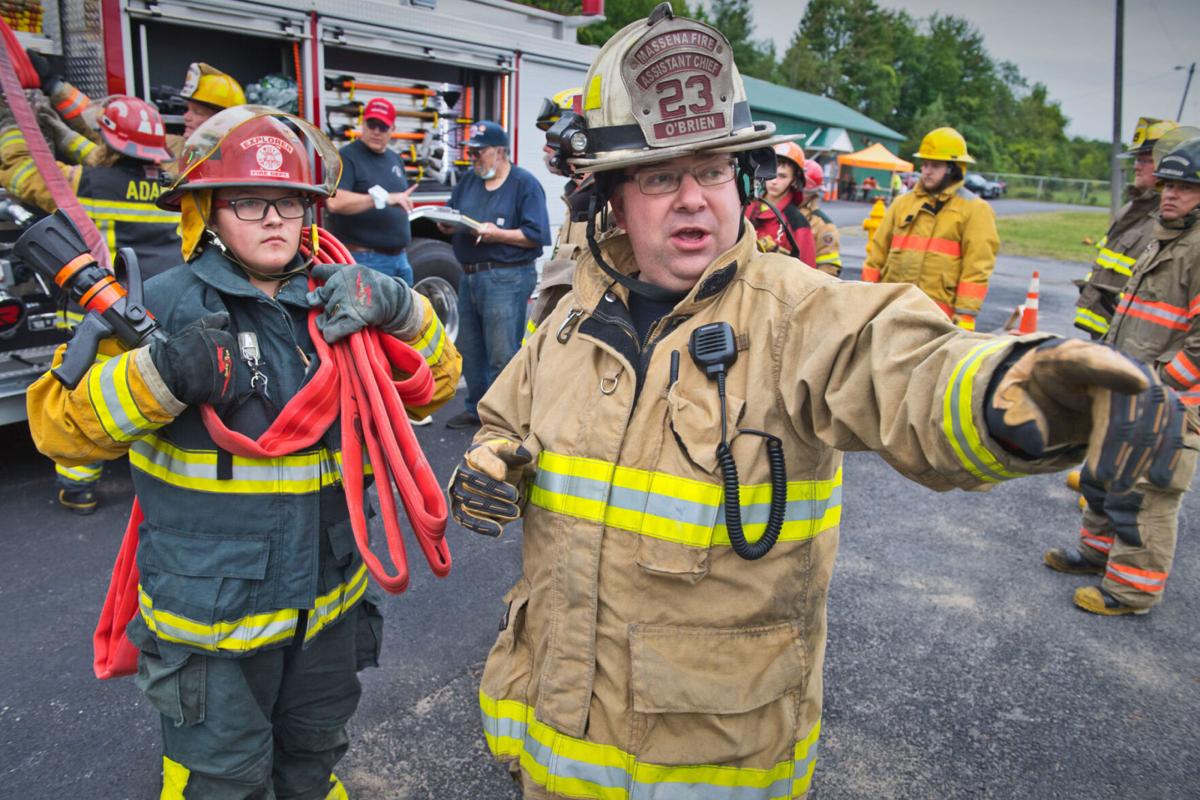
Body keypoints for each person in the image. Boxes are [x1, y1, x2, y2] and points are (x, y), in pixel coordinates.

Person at [444, 6, 1185, 798]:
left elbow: (902, 363)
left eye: (715, 170)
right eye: (662, 177)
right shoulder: (571, 314)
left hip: (706, 762)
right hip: (556, 749)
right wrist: (491, 463)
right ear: (616, 201)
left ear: (746, 180)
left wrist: (1027, 390)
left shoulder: (798, 313)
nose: (694, 199)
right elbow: (506, 418)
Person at [26, 106, 461, 797]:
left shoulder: (341, 301)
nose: (272, 219)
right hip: (211, 624)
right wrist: (162, 376)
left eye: (288, 201)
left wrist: (403, 309)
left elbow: (435, 389)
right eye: (248, 201)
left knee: (314, 759)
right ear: (206, 211)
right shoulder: (160, 307)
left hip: (327, 603)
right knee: (227, 781)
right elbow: (58, 427)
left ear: (310, 211)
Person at [1, 91, 182, 513]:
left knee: (88, 395)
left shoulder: (89, 183)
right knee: (140, 388)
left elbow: (20, 172)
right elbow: (99, 149)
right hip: (155, 307)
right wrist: (60, 123)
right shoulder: (170, 185)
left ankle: (78, 485)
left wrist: (13, 123)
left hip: (99, 311)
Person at [1045, 129, 1200, 616]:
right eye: (1168, 185)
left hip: (1168, 402)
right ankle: (1096, 553)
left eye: (1185, 187)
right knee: (1103, 473)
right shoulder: (1163, 238)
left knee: (1148, 493)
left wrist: (1163, 381)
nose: (1169, 194)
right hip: (1127, 387)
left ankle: (1131, 590)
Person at [438, 119, 550, 430]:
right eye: (471, 153)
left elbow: (535, 234)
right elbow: (452, 211)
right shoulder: (468, 182)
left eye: (479, 153)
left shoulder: (524, 184)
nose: (473, 159)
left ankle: (504, 418)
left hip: (507, 277)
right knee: (470, 349)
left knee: (502, 353)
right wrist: (445, 224)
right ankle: (476, 407)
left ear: (500, 151)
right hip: (470, 275)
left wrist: (498, 234)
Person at [862, 126, 999, 331]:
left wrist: (966, 316)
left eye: (935, 165)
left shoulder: (975, 210)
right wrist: (867, 297)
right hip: (892, 311)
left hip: (938, 319)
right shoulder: (902, 203)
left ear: (953, 169)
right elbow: (877, 253)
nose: (926, 171)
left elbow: (976, 267)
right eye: (924, 164)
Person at [1074, 117, 1179, 338]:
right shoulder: (1130, 210)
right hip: (1104, 334)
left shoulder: (1171, 222)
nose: (1136, 166)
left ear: (1168, 164)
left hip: (1132, 339)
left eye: (1144, 160)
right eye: (1136, 159)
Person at [324, 97, 418, 285]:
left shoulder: (395, 159)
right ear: (363, 123)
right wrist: (382, 198)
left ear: (393, 130)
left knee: (406, 315)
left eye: (382, 127)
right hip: (366, 260)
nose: (376, 131)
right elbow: (334, 202)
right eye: (371, 124)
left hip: (401, 259)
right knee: (371, 315)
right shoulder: (348, 157)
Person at [743, 141, 817, 264]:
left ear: (794, 179)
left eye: (782, 176)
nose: (774, 181)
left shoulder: (797, 223)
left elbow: (807, 273)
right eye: (771, 174)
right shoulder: (747, 207)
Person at [175, 62, 246, 140]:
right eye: (187, 109)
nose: (186, 117)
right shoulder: (178, 147)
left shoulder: (231, 152)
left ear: (224, 123)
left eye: (198, 112)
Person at [799, 158, 842, 276]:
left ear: (813, 193)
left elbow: (829, 269)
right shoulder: (766, 211)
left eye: (804, 192)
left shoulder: (824, 226)